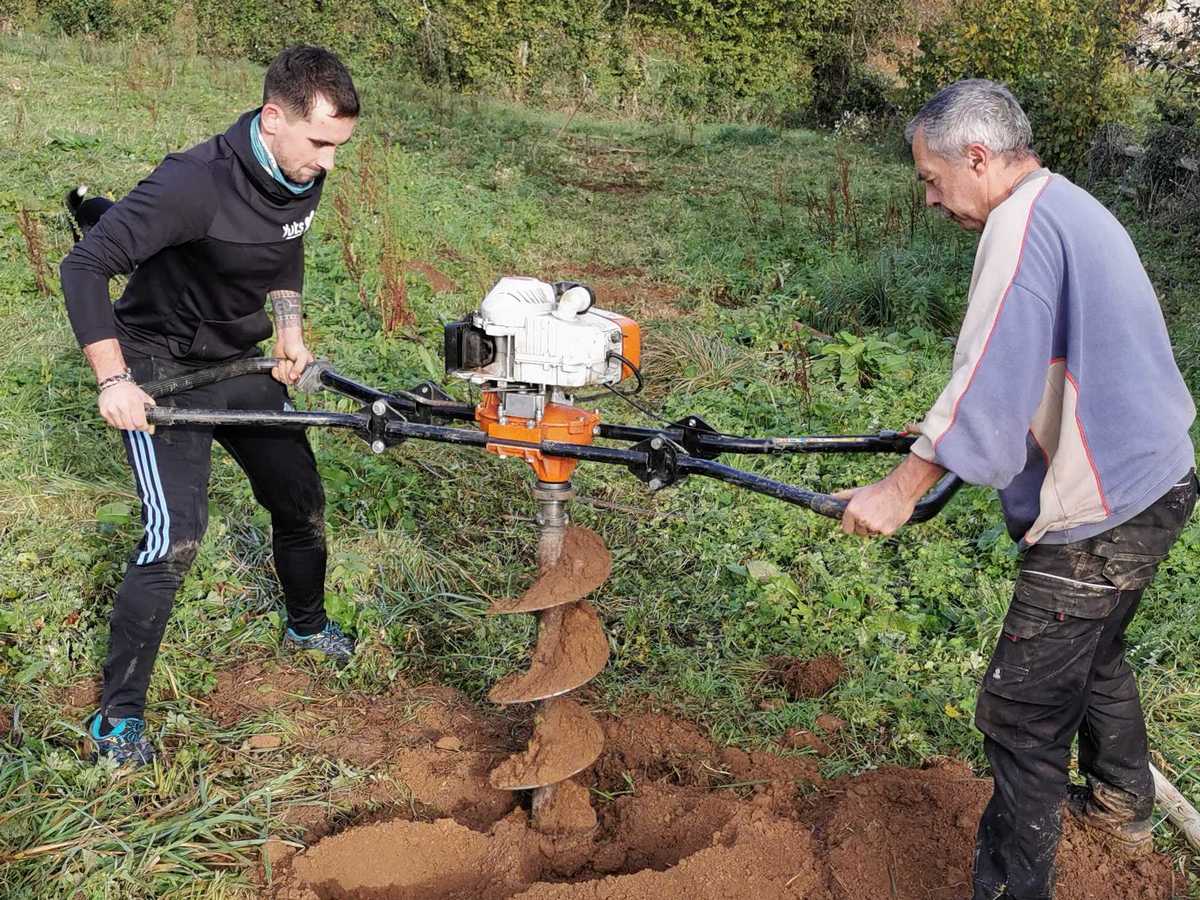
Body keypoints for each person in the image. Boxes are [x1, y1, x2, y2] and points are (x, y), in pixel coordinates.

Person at [835, 79, 1196, 899]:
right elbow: (1028, 371)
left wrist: (901, 486)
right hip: (1160, 481)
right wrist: (936, 443)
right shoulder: (1068, 204)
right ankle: (1121, 806)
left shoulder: (1020, 224)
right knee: (1095, 651)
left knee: (1024, 711)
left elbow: (993, 374)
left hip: (1103, 510)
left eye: (931, 179)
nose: (930, 199)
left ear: (977, 157)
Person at [59, 45, 361, 767]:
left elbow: (284, 253)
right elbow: (84, 266)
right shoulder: (192, 184)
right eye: (320, 143)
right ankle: (118, 720)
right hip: (159, 365)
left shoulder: (300, 170)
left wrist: (288, 332)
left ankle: (307, 627)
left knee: (301, 503)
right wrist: (114, 381)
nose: (328, 163)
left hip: (240, 358)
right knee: (176, 537)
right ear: (273, 118)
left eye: (339, 148)